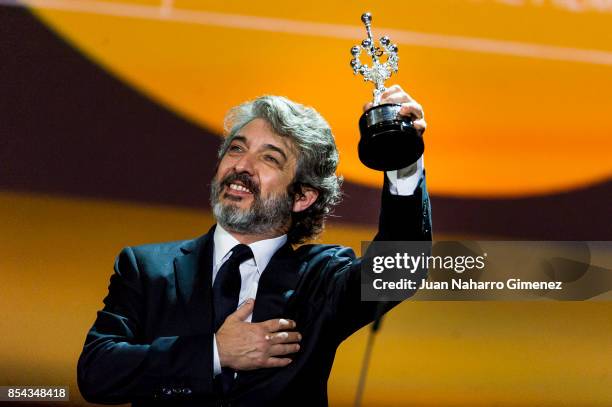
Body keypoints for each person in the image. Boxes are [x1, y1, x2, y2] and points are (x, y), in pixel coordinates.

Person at [77, 84, 432, 406]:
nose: (241, 165)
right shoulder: (146, 268)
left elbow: (400, 269)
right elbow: (97, 373)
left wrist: (403, 161)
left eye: (269, 158)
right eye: (236, 149)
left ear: (303, 196)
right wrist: (216, 352)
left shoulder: (320, 279)